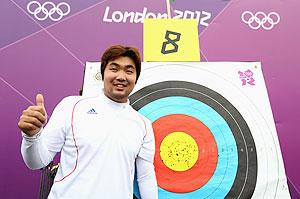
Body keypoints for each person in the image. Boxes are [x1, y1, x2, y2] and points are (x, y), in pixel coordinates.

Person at [18, 45, 158, 199]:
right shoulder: (71, 106)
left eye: (129, 71)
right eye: (114, 68)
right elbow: (37, 161)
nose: (121, 76)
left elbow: (145, 177)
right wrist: (31, 136)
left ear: (136, 78)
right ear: (103, 73)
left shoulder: (143, 125)